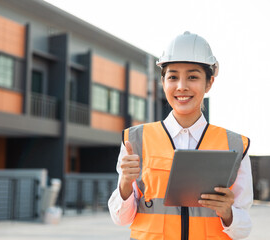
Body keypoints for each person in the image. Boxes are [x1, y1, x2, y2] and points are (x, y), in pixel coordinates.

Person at [108, 31, 253, 239]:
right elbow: (120, 218)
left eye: (192, 77)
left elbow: (244, 228)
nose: (181, 86)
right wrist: (124, 185)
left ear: (209, 83)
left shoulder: (236, 145)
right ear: (163, 82)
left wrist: (228, 213)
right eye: (173, 77)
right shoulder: (135, 141)